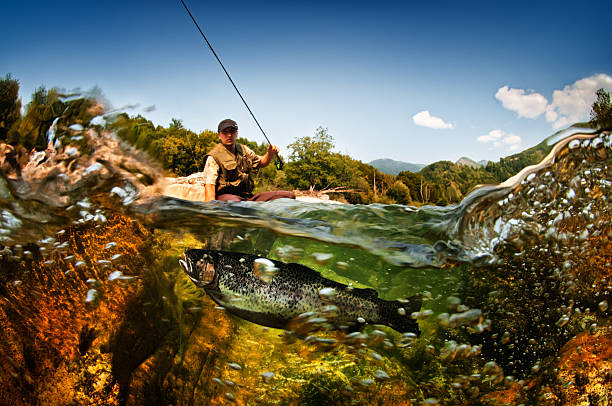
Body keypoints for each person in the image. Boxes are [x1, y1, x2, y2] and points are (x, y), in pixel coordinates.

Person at [203, 119, 295, 202]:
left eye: (232, 131)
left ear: (237, 133)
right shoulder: (214, 157)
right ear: (219, 135)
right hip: (226, 198)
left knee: (289, 196)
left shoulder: (244, 150)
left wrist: (269, 154)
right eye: (225, 132)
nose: (229, 135)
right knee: (236, 203)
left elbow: (261, 163)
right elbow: (209, 185)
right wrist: (210, 211)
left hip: (247, 197)